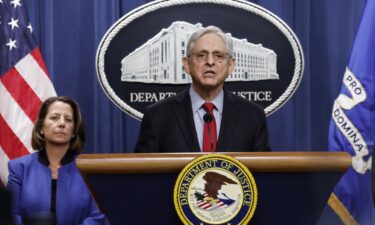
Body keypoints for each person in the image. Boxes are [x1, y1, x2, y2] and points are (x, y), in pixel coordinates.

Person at [135, 25, 270, 153]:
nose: (210, 62)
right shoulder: (157, 116)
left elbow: (263, 173)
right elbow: (143, 173)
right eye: (201, 55)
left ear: (230, 65)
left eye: (218, 56)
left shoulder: (253, 116)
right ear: (187, 64)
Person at [7, 96, 108, 225]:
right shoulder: (19, 168)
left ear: (73, 131)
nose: (61, 123)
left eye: (68, 119)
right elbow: (11, 215)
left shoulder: (89, 169)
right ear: (41, 128)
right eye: (54, 118)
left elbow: (98, 216)